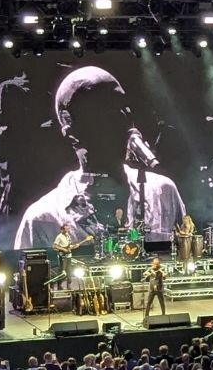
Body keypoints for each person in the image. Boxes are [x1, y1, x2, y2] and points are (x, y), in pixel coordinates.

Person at [14, 67, 186, 249]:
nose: (124, 116)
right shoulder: (42, 218)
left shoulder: (163, 191)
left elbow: (186, 256)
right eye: (107, 107)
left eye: (123, 104)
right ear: (69, 127)